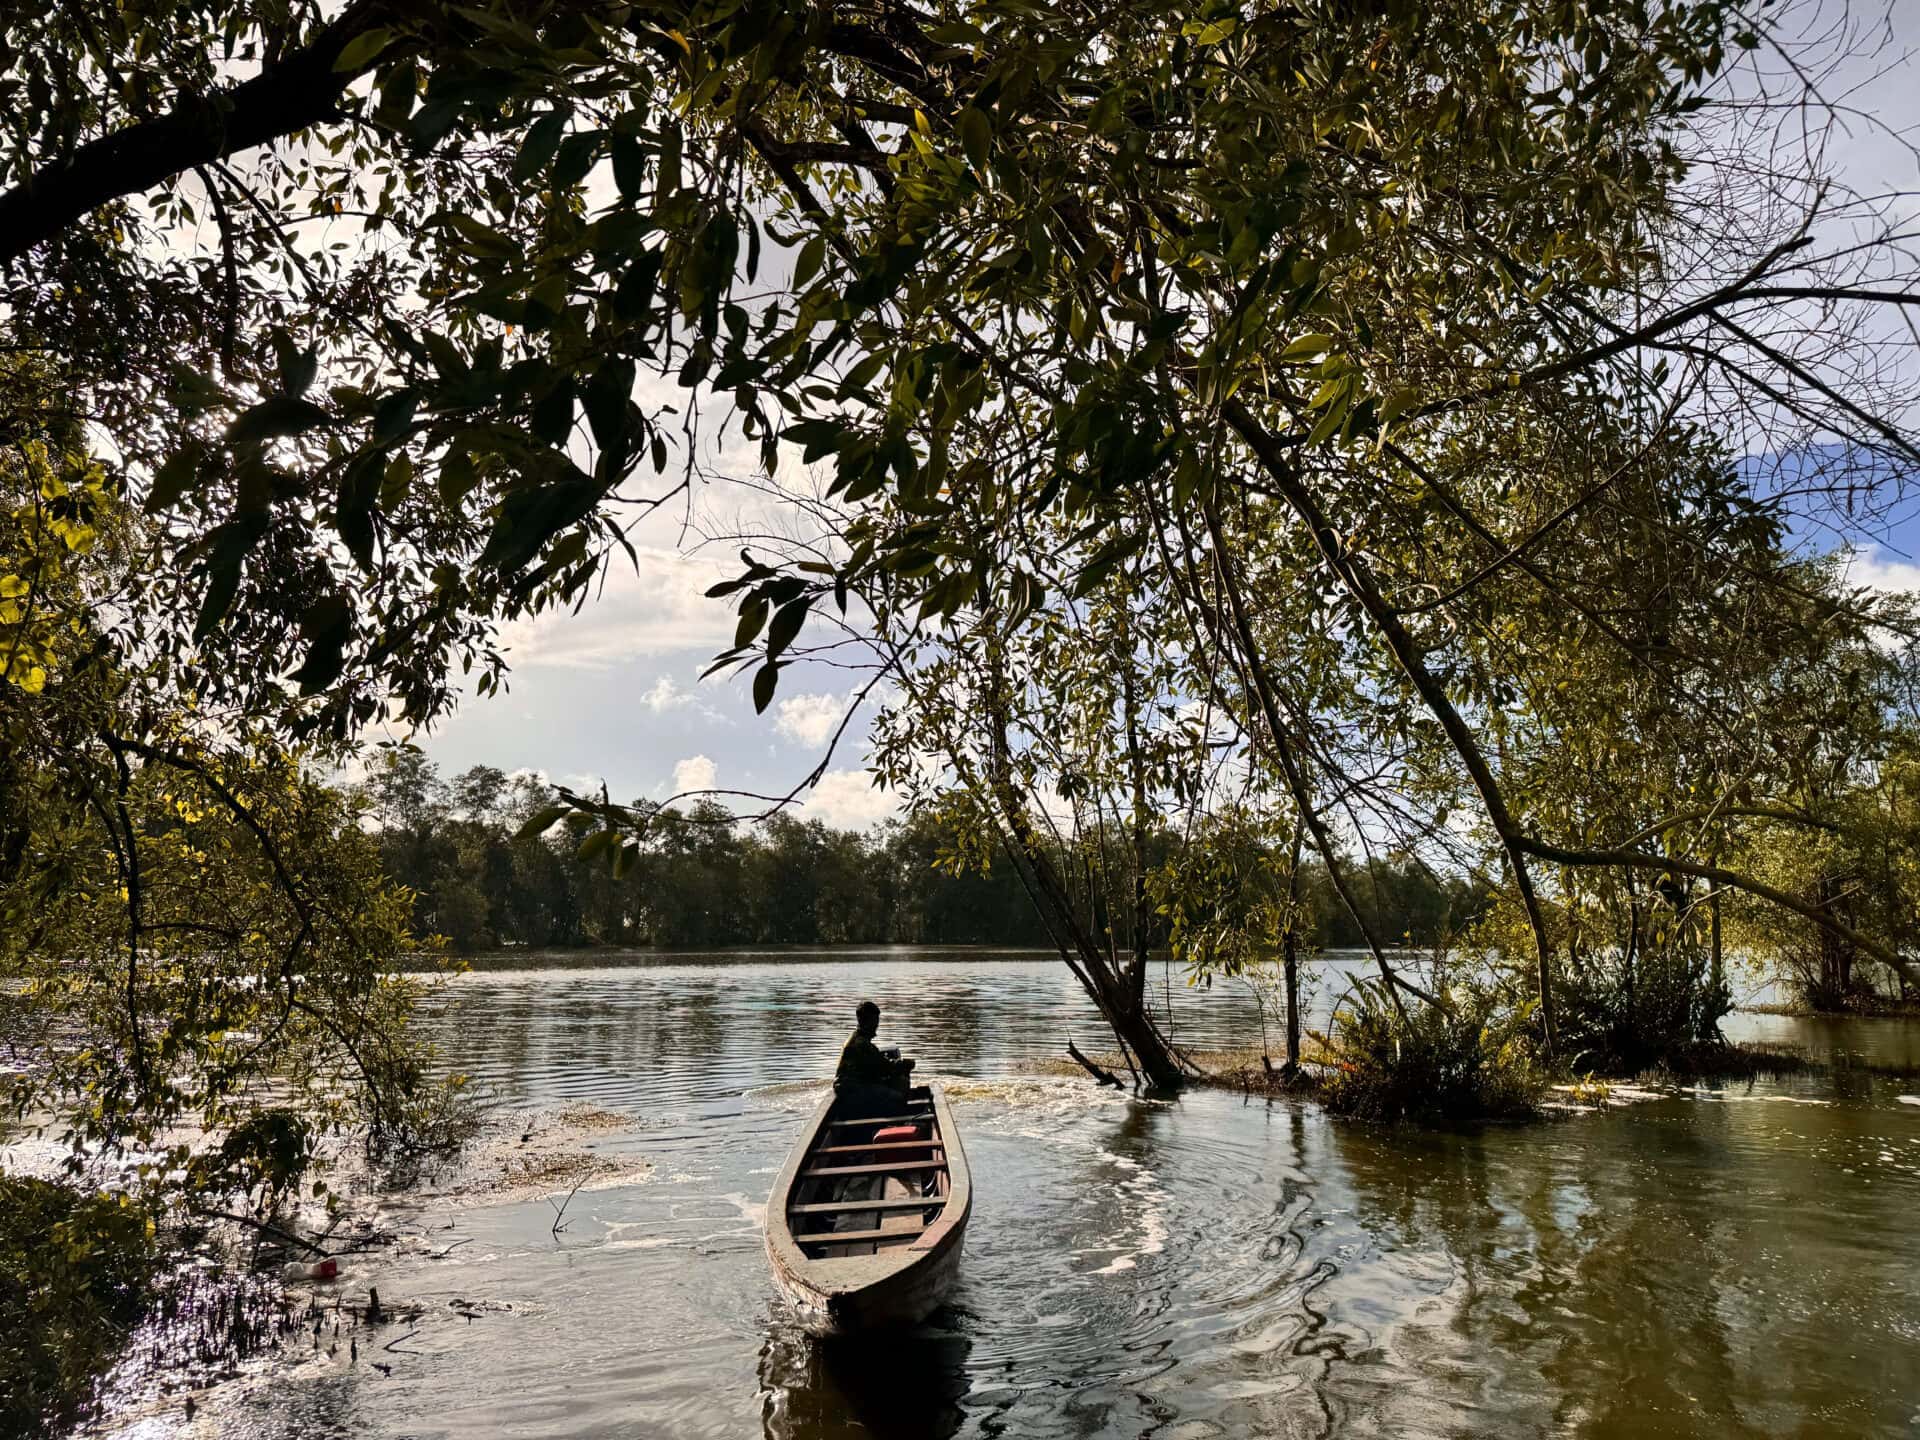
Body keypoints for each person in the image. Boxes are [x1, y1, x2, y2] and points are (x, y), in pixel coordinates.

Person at [834, 999, 915, 1117]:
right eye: (875, 1020)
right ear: (867, 1021)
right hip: (851, 1091)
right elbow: (885, 1068)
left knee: (892, 1084)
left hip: (850, 1087)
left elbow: (877, 1065)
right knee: (898, 1097)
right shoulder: (861, 1043)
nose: (877, 1025)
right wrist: (904, 1065)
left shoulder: (857, 1038)